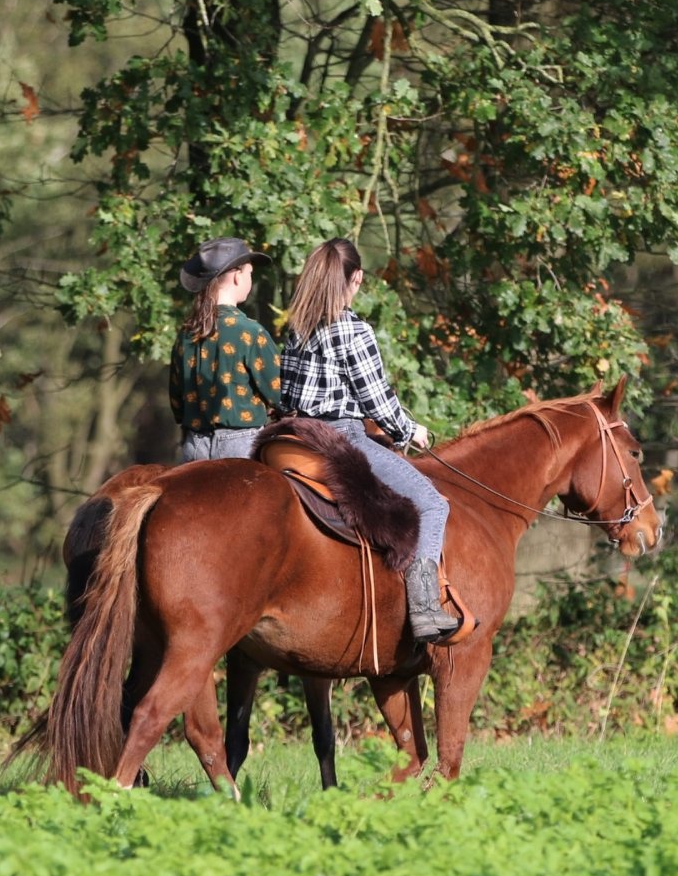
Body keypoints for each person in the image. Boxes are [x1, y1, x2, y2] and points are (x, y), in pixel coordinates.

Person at [278, 237, 461, 643]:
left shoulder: (296, 325)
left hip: (294, 436)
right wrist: (408, 430)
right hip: (339, 435)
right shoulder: (352, 328)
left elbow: (285, 394)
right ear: (356, 278)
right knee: (432, 504)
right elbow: (375, 398)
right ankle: (426, 610)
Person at [169, 236, 281, 463]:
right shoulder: (250, 332)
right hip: (241, 447)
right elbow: (281, 395)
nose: (251, 278)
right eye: (250, 273)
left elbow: (177, 405)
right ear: (238, 276)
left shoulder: (185, 334)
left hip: (193, 449)